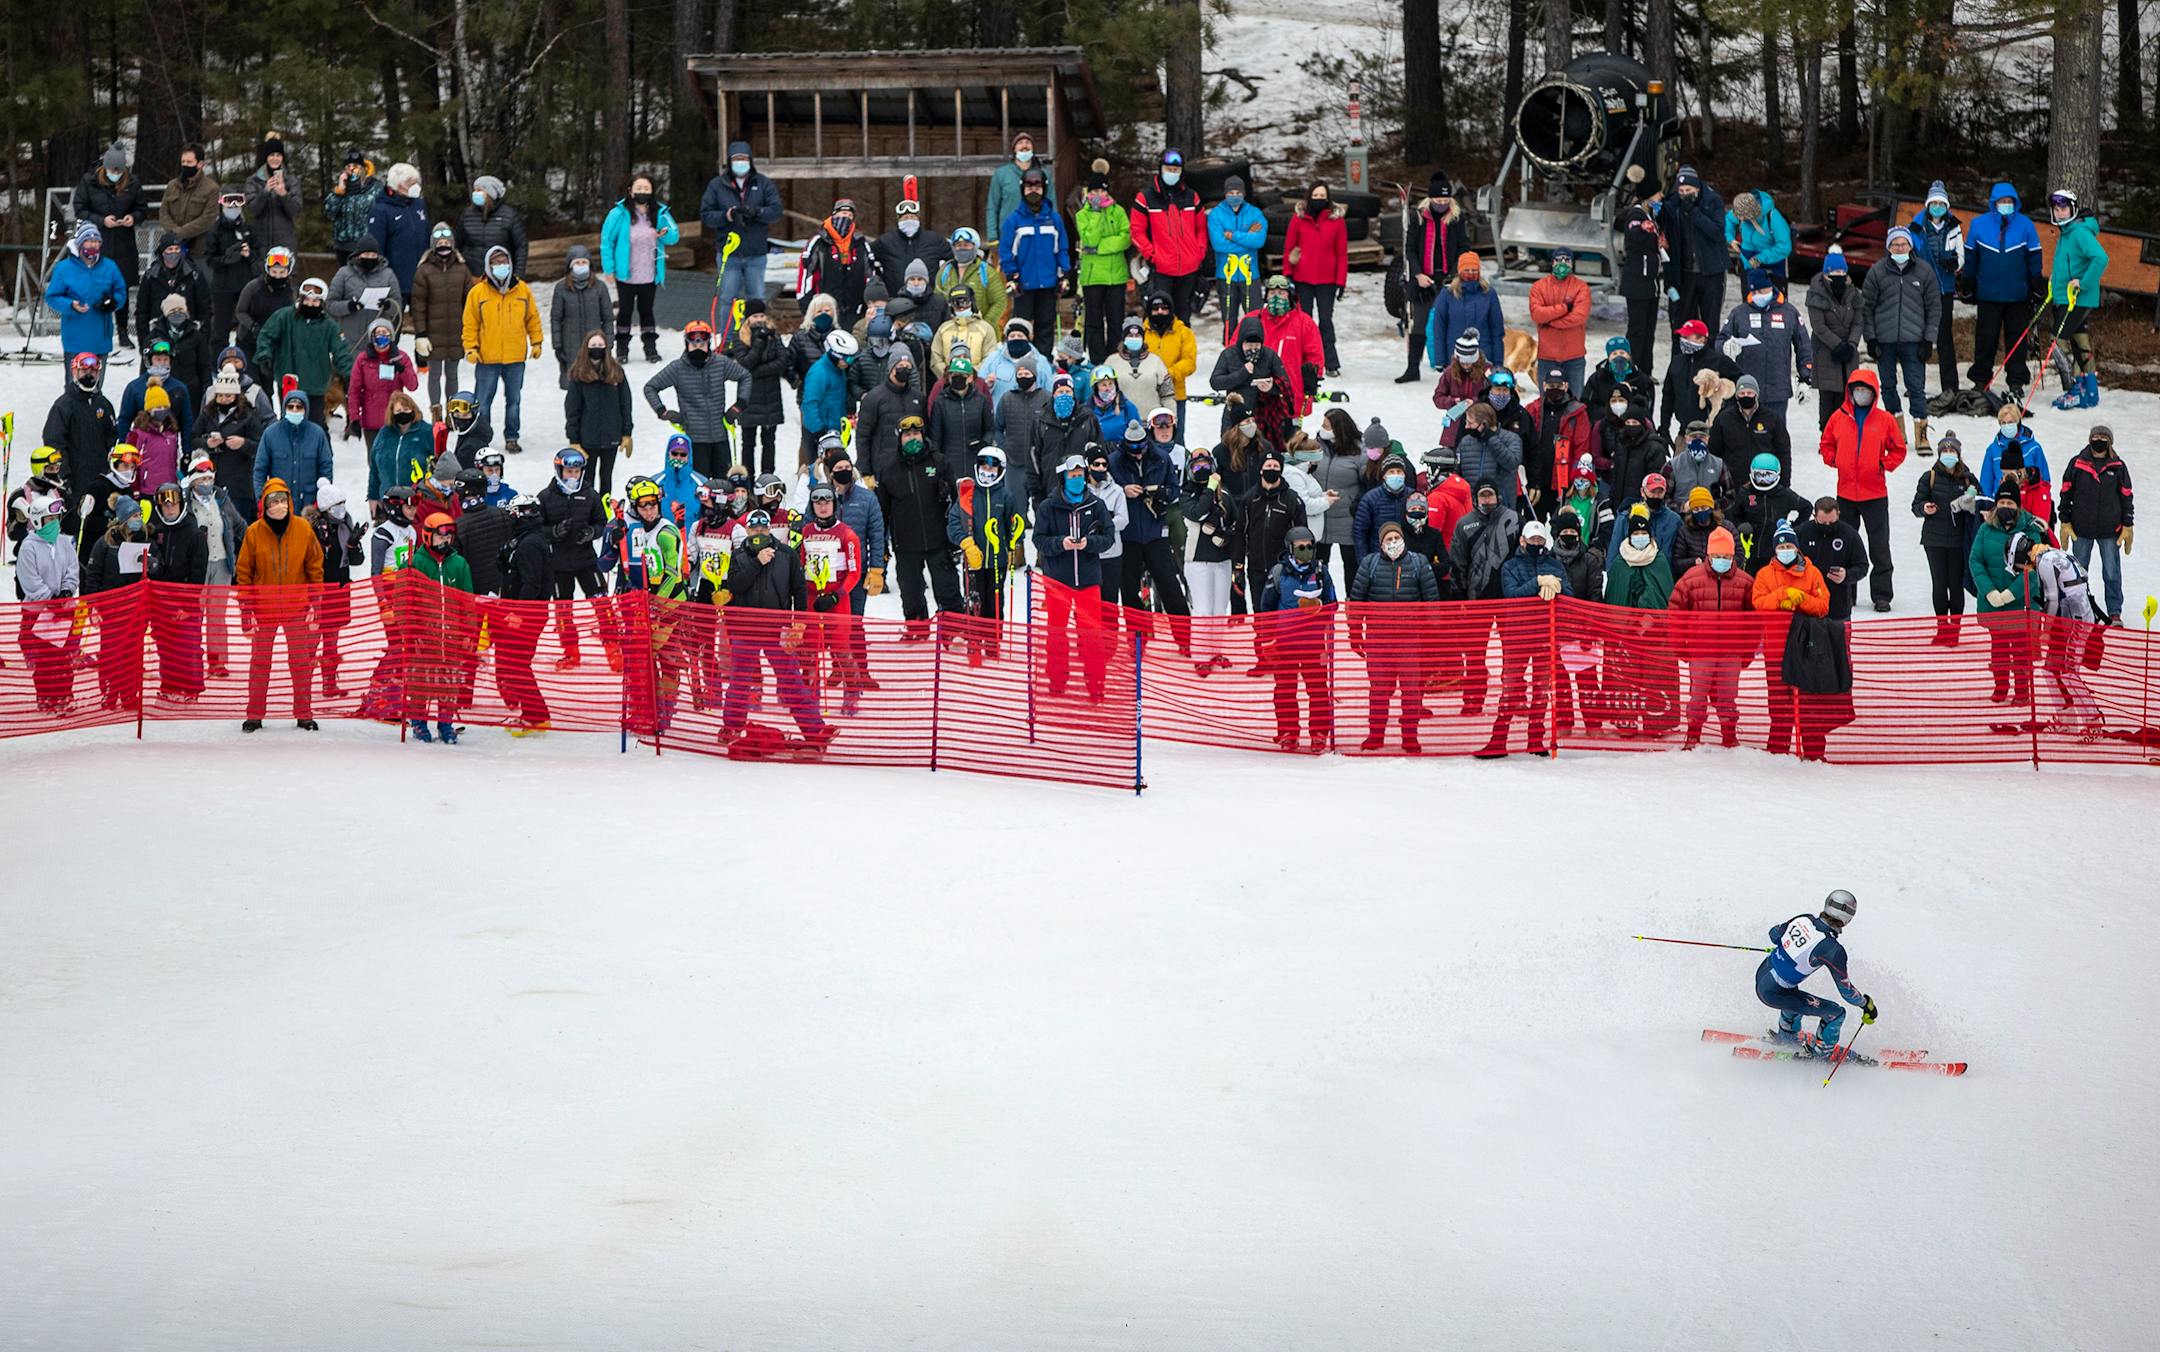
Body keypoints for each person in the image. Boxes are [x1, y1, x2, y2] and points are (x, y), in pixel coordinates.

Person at [716, 507, 833, 751]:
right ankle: (732, 726)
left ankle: (814, 729)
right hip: (743, 630)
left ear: (769, 530)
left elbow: (799, 589)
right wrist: (757, 563)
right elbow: (736, 585)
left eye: (763, 528)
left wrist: (798, 622)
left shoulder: (787, 555)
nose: (758, 532)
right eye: (754, 528)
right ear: (747, 531)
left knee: (790, 680)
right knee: (740, 681)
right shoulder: (737, 556)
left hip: (775, 629)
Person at [234, 477, 325, 732]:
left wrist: (315, 604)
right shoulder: (253, 533)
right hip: (264, 611)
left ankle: (304, 715)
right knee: (260, 663)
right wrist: (245, 610)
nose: (278, 506)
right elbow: (244, 573)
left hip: (297, 608)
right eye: (273, 502)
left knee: (301, 662)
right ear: (264, 505)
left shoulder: (303, 529)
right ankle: (254, 715)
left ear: (290, 502)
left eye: (282, 501)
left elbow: (315, 567)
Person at [1478, 518, 1570, 758]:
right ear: (1522, 540)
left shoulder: (1555, 565)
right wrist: (1538, 583)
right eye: (1532, 539)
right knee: (1511, 689)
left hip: (1545, 636)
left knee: (1541, 690)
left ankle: (1535, 740)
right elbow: (1513, 595)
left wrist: (1557, 587)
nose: (1536, 543)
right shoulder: (1510, 566)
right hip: (1517, 636)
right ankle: (1498, 741)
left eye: (1540, 539)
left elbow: (1568, 594)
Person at [1818, 368, 1905, 611]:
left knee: (1879, 545)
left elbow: (1899, 450)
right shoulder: (1838, 417)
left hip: (1875, 493)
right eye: (1857, 390)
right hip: (1845, 493)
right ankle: (1848, 592)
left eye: (1865, 390)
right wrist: (1835, 460)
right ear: (1850, 392)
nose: (1861, 394)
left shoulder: (1885, 419)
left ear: (1873, 393)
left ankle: (1882, 595)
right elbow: (1825, 444)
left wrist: (1882, 465)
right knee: (1845, 544)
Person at [1348, 519, 1439, 752]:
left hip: (1409, 639)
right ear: (1381, 544)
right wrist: (1354, 632)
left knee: (1410, 691)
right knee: (1379, 690)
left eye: (1396, 538)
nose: (1393, 543)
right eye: (1388, 539)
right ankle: (1375, 735)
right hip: (1378, 640)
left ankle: (1410, 737)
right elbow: (1356, 601)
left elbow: (1431, 601)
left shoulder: (1418, 563)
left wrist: (1432, 634)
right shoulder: (1369, 564)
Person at [1748, 519, 1832, 756]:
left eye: (1789, 547)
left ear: (1797, 548)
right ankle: (1778, 751)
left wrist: (1801, 600)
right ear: (1775, 550)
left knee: (1808, 701)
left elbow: (1823, 605)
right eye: (1781, 548)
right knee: (1778, 702)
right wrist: (1782, 596)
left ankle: (1815, 752)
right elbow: (1758, 602)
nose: (1785, 551)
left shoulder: (1812, 572)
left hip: (1808, 648)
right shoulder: (1764, 574)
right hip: (1776, 648)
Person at [1756, 891, 1875, 1056]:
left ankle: (1787, 1036)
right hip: (1773, 993)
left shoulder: (1804, 919)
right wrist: (1865, 1004)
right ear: (1847, 919)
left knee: (1794, 995)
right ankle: (1820, 1055)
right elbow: (1846, 992)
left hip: (1762, 976)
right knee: (1836, 1014)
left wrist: (1786, 948)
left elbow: (1774, 934)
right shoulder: (1832, 949)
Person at [1665, 525, 1752, 748]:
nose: (1721, 559)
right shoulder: (1690, 579)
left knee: (1728, 696)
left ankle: (1729, 735)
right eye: (1717, 556)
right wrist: (1680, 647)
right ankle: (1693, 734)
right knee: (1697, 696)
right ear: (1708, 555)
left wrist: (1748, 651)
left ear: (1733, 556)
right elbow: (1676, 614)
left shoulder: (1745, 582)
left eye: (1726, 556)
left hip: (1731, 652)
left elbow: (1754, 622)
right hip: (1700, 649)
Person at [876, 416, 962, 637]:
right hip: (905, 543)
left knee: (947, 588)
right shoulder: (888, 469)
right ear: (900, 439)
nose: (912, 438)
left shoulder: (939, 462)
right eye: (907, 435)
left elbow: (958, 500)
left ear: (923, 436)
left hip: (939, 540)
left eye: (916, 434)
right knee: (911, 590)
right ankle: (917, 629)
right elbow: (882, 512)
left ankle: (953, 630)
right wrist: (882, 547)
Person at [1109, 419, 1190, 654]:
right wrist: (1122, 491)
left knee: (1170, 585)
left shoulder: (1160, 458)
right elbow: (1105, 489)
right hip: (1128, 535)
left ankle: (1184, 638)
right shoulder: (1116, 461)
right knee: (1129, 589)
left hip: (1156, 532)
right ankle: (1138, 639)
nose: (1137, 453)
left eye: (1141, 447)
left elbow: (1175, 490)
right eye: (1132, 448)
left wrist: (1162, 493)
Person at [1957, 181, 2044, 399]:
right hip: (1988, 294)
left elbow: (2034, 256)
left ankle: (2016, 381)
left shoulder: (2025, 225)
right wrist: (1968, 282)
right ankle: (1980, 380)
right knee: (1986, 339)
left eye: (2009, 201)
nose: (2006, 204)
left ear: (2015, 203)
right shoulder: (1979, 225)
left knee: (2017, 340)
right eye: (2002, 201)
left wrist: (2036, 282)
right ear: (1993, 203)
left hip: (2018, 295)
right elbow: (1971, 256)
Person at [2012, 531, 2105, 732]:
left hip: (2076, 622)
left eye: (2021, 566)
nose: (2025, 570)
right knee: (2049, 669)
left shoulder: (2045, 561)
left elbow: (2052, 598)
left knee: (2069, 672)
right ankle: (2066, 718)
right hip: (2068, 621)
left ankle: (2093, 722)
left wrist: (2046, 629)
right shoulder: (2055, 554)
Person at [1255, 526, 1336, 751]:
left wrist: (1318, 605)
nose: (1305, 551)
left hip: (1313, 643)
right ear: (1290, 548)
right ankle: (1288, 732)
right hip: (1285, 643)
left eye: (1309, 546)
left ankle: (1319, 733)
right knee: (1284, 689)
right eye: (1300, 547)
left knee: (1318, 689)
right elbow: (1267, 607)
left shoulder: (1320, 571)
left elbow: (1334, 603)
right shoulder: (1279, 573)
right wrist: (1267, 639)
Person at [1860, 226, 1940, 448]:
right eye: (1895, 244)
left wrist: (1928, 339)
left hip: (1914, 340)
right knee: (1887, 386)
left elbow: (1934, 308)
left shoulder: (1923, 271)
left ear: (1910, 246)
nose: (1899, 247)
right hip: (1884, 340)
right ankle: (1896, 432)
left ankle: (1921, 434)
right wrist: (1871, 338)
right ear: (1888, 247)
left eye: (1903, 244)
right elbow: (1866, 308)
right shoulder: (1877, 272)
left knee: (1916, 387)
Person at [947, 447, 1029, 656]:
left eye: (992, 468)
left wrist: (1015, 540)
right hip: (974, 560)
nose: (987, 472)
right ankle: (974, 640)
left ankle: (993, 640)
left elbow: (1014, 523)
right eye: (983, 467)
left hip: (997, 560)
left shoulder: (1006, 495)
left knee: (994, 601)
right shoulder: (968, 494)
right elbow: (953, 523)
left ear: (1000, 471)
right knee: (975, 600)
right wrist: (966, 543)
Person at [538, 447, 615, 670]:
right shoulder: (546, 496)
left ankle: (613, 649)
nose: (573, 476)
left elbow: (602, 522)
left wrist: (592, 533)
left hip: (586, 560)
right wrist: (553, 532)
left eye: (577, 471)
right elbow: (537, 527)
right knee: (563, 610)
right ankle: (571, 653)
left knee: (602, 604)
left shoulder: (590, 495)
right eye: (569, 471)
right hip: (559, 563)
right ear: (559, 471)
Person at [461, 245, 541, 455]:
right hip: (487, 358)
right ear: (488, 266)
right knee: (483, 403)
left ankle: (512, 437)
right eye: (496, 263)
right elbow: (470, 323)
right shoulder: (478, 292)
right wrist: (470, 347)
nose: (500, 266)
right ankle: (481, 438)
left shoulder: (522, 289)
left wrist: (537, 342)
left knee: (514, 400)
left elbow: (532, 317)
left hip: (515, 357)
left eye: (503, 262)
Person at [1972, 483, 2046, 708]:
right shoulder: (1985, 529)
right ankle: (2000, 686)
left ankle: (2022, 690)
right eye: (2002, 503)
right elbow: (1975, 561)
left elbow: (2035, 567)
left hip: (2021, 603)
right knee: (1999, 648)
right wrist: (1990, 591)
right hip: (1993, 602)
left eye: (2010, 503)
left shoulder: (2031, 530)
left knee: (2021, 648)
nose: (2005, 506)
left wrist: (2009, 594)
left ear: (2018, 505)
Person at [644, 319, 748, 477]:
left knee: (724, 486)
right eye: (694, 345)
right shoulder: (677, 368)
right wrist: (662, 411)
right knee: (699, 487)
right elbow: (650, 387)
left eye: (702, 345)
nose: (698, 348)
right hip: (694, 440)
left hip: (720, 435)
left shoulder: (720, 363)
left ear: (708, 344)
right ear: (687, 344)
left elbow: (745, 376)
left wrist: (739, 405)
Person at [1397, 174, 1472, 383]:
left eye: (1445, 201)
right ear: (1430, 199)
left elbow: (1464, 247)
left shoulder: (1456, 217)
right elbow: (1410, 249)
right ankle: (1413, 368)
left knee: (1452, 324)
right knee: (1418, 324)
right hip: (1424, 279)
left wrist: (1458, 273)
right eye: (1438, 201)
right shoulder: (1418, 217)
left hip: (1449, 278)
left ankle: (1456, 370)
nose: (1442, 204)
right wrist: (1418, 274)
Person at [597, 174, 679, 363]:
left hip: (650, 273)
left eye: (646, 188)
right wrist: (608, 269)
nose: (642, 192)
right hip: (626, 273)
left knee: (647, 310)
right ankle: (622, 350)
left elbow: (673, 237)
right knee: (625, 311)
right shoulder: (618, 213)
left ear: (652, 191)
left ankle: (650, 348)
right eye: (639, 188)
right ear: (630, 191)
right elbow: (607, 242)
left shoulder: (659, 212)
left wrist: (663, 234)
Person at [255, 278, 354, 431]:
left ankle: (320, 454)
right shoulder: (284, 317)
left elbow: (341, 350)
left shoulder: (329, 326)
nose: (310, 304)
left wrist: (349, 373)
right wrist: (265, 356)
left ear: (322, 303)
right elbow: (267, 335)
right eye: (307, 300)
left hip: (316, 384)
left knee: (316, 426)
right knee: (288, 422)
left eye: (315, 301)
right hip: (288, 380)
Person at [73, 145, 147, 349]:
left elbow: (142, 208)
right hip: (97, 241)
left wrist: (134, 218)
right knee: (96, 287)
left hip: (124, 243)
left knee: (120, 286)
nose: (115, 174)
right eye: (112, 170)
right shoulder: (89, 181)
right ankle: (96, 330)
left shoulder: (132, 183)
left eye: (119, 170)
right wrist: (101, 220)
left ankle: (122, 331)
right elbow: (80, 208)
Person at [2057, 425, 2133, 624]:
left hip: (2110, 531)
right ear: (2090, 439)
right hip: (2081, 529)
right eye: (2096, 436)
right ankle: (2079, 609)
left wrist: (2127, 524)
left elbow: (2126, 496)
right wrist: (2064, 520)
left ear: (2109, 441)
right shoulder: (2077, 463)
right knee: (2078, 575)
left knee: (2111, 572)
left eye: (2103, 437)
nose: (2099, 439)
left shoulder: (2118, 466)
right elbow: (2066, 492)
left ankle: (2114, 612)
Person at [1717, 267, 1812, 425]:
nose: (1757, 296)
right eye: (1753, 293)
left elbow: (1804, 347)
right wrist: (1726, 347)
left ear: (1770, 287)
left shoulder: (1789, 312)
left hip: (1777, 391)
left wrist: (1805, 379)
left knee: (1776, 438)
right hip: (1746, 392)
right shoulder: (1739, 313)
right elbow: (1719, 342)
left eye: (1761, 291)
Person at [16, 492, 83, 712]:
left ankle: (64, 695)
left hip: (62, 611)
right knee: (45, 659)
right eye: (49, 520)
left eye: (56, 519)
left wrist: (66, 591)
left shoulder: (64, 543)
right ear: (37, 520)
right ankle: (46, 696)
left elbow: (72, 570)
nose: (54, 524)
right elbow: (29, 580)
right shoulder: (29, 547)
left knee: (63, 657)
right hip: (38, 613)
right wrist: (49, 598)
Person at [494, 494, 555, 734]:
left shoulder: (531, 543)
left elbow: (532, 582)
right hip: (524, 610)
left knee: (517, 665)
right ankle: (533, 713)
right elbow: (514, 572)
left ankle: (537, 716)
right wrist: (504, 557)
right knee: (515, 664)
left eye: (513, 514)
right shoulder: (527, 539)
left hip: (527, 614)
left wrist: (520, 611)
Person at [1911, 431, 1982, 638]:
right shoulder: (1929, 477)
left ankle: (1955, 629)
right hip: (1934, 539)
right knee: (1939, 584)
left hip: (1960, 540)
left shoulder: (1968, 478)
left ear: (1959, 454)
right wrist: (1925, 507)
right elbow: (1916, 505)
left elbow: (1983, 503)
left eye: (1952, 450)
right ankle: (1943, 628)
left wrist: (1969, 502)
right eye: (1945, 450)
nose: (1948, 453)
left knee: (1956, 584)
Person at [181, 456, 246, 678]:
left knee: (217, 616)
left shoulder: (222, 499)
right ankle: (192, 658)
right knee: (195, 614)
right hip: (196, 566)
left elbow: (239, 526)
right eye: (202, 479)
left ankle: (217, 661)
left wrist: (252, 543)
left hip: (221, 564)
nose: (207, 482)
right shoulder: (185, 503)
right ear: (193, 481)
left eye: (210, 478)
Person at [2044, 188, 2108, 410]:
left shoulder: (2079, 232)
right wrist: (2056, 279)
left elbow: (2100, 258)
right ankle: (2089, 390)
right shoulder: (2066, 232)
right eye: (2056, 209)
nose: (2059, 213)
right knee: (2080, 341)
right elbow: (2070, 263)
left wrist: (2084, 282)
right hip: (2065, 297)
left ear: (2072, 209)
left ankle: (2073, 388)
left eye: (2063, 208)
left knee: (2058, 342)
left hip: (2078, 299)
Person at [702, 142, 784, 314]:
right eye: (736, 158)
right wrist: (727, 216)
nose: (740, 162)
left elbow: (776, 211)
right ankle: (727, 338)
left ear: (750, 160)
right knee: (727, 298)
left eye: (744, 158)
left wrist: (755, 212)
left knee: (757, 298)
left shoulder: (763, 183)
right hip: (729, 254)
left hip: (756, 253)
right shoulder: (717, 185)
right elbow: (706, 215)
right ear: (730, 161)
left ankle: (756, 338)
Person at [305, 478, 367, 699]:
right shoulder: (312, 528)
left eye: (343, 503)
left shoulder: (346, 524)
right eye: (336, 505)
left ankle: (329, 683)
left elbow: (358, 560)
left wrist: (353, 545)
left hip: (339, 589)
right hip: (318, 591)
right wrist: (322, 545)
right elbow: (309, 562)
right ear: (324, 508)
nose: (341, 509)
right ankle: (302, 684)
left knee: (332, 640)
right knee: (311, 641)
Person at [1130, 149, 1208, 322]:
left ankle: (1183, 350)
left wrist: (1199, 252)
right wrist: (1152, 254)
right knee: (1159, 318)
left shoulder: (1191, 196)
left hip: (1189, 268)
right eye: (1168, 169)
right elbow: (1136, 231)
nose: (1172, 173)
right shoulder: (1146, 197)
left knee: (1183, 319)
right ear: (1160, 169)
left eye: (1176, 170)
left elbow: (1201, 228)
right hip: (1162, 270)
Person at [46, 223, 129, 379]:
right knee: (74, 387)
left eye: (97, 241)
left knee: (96, 386)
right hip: (75, 339)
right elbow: (52, 297)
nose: (94, 244)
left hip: (100, 338)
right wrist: (70, 305)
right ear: (80, 242)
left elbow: (121, 292)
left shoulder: (109, 266)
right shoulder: (64, 268)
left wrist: (113, 303)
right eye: (89, 241)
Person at [999, 166, 1070, 350]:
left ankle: (1044, 364)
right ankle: (1022, 365)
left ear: (1044, 189)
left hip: (1047, 283)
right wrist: (1011, 275)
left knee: (1045, 326)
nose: (1033, 191)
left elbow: (1062, 248)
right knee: (1021, 326)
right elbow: (1006, 251)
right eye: (1029, 187)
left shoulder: (1054, 219)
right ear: (1023, 189)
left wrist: (1064, 274)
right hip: (1024, 284)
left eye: (1037, 187)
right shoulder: (1013, 220)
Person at [408, 223, 473, 420]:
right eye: (439, 239)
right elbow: (418, 305)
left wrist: (470, 331)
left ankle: (452, 412)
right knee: (434, 374)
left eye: (447, 239)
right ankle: (436, 411)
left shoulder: (462, 270)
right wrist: (421, 333)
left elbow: (469, 302)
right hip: (433, 334)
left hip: (456, 332)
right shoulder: (424, 270)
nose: (443, 242)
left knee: (452, 374)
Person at [1282, 181, 1348, 375]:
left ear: (1328, 198)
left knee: (1326, 321)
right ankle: (1304, 361)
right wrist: (1288, 274)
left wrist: (1341, 281)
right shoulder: (1298, 219)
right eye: (1315, 196)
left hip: (1327, 280)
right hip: (1302, 278)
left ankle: (1331, 362)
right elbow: (1289, 247)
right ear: (1309, 197)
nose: (1319, 199)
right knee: (1304, 321)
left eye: (1322, 196)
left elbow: (1342, 253)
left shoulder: (1337, 221)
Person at [1657, 165, 1729, 332]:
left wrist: (1694, 213)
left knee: (1710, 320)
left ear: (1696, 187)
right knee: (1684, 320)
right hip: (1686, 272)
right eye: (1681, 191)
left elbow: (1717, 232)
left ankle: (1709, 355)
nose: (1684, 194)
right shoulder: (1674, 203)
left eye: (1688, 190)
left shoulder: (1712, 200)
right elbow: (1663, 220)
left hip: (1711, 271)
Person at [1804, 247, 1867, 432]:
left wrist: (1851, 344)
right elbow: (1818, 326)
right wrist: (1837, 345)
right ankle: (1826, 432)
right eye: (1834, 272)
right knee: (1827, 397)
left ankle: (1845, 431)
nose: (1838, 275)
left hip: (1848, 351)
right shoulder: (1816, 294)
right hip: (1826, 350)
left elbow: (1858, 322)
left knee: (1846, 394)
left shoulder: (1854, 294)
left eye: (1841, 272)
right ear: (1826, 273)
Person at [1074, 162, 1132, 363]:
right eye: (1095, 191)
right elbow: (1088, 239)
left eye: (1102, 190)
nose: (1099, 194)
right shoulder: (1083, 215)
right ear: (1088, 193)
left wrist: (1099, 248)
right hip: (1092, 276)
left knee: (1116, 320)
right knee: (1094, 321)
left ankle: (1115, 358)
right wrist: (1097, 214)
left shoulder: (1119, 211)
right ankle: (1097, 360)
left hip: (1116, 275)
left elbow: (1125, 238)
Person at [565, 334, 634, 494]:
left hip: (611, 436)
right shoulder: (578, 374)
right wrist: (573, 439)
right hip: (587, 438)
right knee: (587, 478)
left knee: (606, 476)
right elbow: (572, 409)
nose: (597, 348)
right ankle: (588, 510)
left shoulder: (616, 372)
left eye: (600, 345)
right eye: (593, 345)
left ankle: (605, 509)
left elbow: (626, 404)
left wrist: (627, 433)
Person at [1209, 177, 1267, 348]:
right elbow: (1218, 244)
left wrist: (1233, 235)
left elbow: (1259, 241)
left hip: (1250, 274)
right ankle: (1230, 352)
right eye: (1231, 193)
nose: (1234, 196)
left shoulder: (1255, 213)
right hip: (1226, 275)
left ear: (1244, 193)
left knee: (1254, 317)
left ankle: (1256, 352)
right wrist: (1246, 236)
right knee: (1229, 319)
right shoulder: (1215, 214)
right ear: (1225, 194)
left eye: (1238, 193)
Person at [1425, 251, 1504, 376]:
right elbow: (1439, 329)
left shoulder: (1489, 294)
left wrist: (1498, 361)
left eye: (1474, 270)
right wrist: (1439, 360)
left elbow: (1497, 330)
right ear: (1459, 271)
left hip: (1483, 358)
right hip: (1454, 359)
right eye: (1467, 270)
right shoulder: (1447, 294)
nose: (1471, 273)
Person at [799, 197, 873, 329]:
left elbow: (869, 274)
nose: (847, 217)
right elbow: (806, 274)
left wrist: (867, 303)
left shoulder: (860, 243)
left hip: (854, 307)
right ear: (834, 214)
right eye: (843, 213)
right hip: (824, 308)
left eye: (850, 215)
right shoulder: (818, 242)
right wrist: (806, 304)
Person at [347, 317, 419, 450]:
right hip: (371, 421)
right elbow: (354, 391)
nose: (381, 336)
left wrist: (402, 371)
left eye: (385, 332)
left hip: (396, 419)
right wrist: (354, 418)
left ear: (391, 336)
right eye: (378, 333)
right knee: (375, 461)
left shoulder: (401, 357)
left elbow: (413, 386)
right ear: (372, 336)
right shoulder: (363, 359)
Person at [1528, 248, 1592, 395]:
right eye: (1558, 260)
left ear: (1572, 264)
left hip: (1574, 357)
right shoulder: (1539, 287)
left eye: (1567, 260)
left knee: (1575, 402)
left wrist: (1551, 322)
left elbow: (1579, 317)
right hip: (1547, 357)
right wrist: (1564, 308)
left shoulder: (1581, 287)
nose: (1562, 264)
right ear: (1552, 262)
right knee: (1547, 402)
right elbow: (1537, 314)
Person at [1797, 496, 1871, 621]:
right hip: (1808, 607)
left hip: (1839, 607)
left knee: (1841, 640)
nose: (1827, 526)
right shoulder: (1801, 533)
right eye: (1823, 523)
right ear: (1814, 516)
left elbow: (1862, 565)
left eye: (1831, 523)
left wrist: (1846, 575)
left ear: (1838, 515)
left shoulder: (1849, 534)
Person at [253, 388, 334, 503]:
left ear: (306, 410)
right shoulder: (270, 434)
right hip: (279, 505)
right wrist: (262, 499)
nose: (294, 410)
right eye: (290, 407)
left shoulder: (317, 434)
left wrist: (322, 497)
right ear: (284, 409)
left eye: (299, 407)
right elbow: (260, 471)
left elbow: (326, 467)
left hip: (309, 504)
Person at [551, 246, 613, 388]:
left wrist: (608, 342)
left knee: (597, 384)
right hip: (570, 346)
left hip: (596, 347)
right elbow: (556, 318)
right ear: (570, 266)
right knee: (573, 386)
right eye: (577, 263)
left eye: (584, 263)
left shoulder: (600, 287)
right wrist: (557, 344)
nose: (581, 266)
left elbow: (608, 318)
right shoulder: (561, 288)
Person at [200, 190, 258, 344]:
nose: (233, 206)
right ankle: (216, 363)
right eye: (229, 202)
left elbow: (258, 255)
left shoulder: (247, 228)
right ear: (222, 204)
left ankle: (246, 359)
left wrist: (249, 254)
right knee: (220, 327)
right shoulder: (215, 230)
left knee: (246, 324)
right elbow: (209, 259)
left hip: (244, 284)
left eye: (238, 202)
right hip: (222, 286)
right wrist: (226, 259)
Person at [366, 163, 430, 302]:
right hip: (396, 280)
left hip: (422, 276)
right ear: (398, 186)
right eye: (410, 183)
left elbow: (426, 233)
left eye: (416, 182)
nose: (415, 186)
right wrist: (383, 277)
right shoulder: (380, 211)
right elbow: (377, 248)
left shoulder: (419, 204)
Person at [1616, 197, 1666, 375]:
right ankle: (1632, 371)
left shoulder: (1651, 214)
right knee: (1637, 331)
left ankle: (1646, 371)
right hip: (1637, 283)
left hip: (1651, 284)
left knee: (1648, 331)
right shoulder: (1635, 215)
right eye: (1658, 193)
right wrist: (1645, 230)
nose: (1661, 197)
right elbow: (1634, 236)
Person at [932, 228, 1009, 335]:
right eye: (958, 245)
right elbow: (937, 301)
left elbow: (1000, 301)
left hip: (983, 334)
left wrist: (984, 326)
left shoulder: (986, 272)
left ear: (975, 246)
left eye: (966, 245)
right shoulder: (945, 272)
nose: (962, 248)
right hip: (952, 332)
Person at [368, 390, 434, 511]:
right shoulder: (384, 433)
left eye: (406, 410)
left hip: (417, 501)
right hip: (389, 500)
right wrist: (373, 496)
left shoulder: (427, 432)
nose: (402, 414)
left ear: (413, 410)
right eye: (398, 411)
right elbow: (374, 468)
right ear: (392, 413)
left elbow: (438, 463)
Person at [802, 331, 858, 469]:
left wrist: (844, 429)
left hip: (835, 431)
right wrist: (819, 432)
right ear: (835, 355)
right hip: (820, 432)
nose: (849, 363)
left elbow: (837, 401)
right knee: (820, 473)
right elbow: (810, 404)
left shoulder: (838, 370)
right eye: (848, 359)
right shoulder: (819, 373)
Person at [233, 245, 297, 359]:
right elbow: (240, 311)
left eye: (282, 272)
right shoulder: (253, 287)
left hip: (273, 345)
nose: (277, 276)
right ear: (268, 269)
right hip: (248, 342)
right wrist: (253, 326)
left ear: (288, 272)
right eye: (274, 272)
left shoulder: (290, 292)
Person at [243, 133, 303, 253]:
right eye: (272, 155)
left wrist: (283, 195)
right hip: (260, 243)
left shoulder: (291, 181)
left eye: (278, 155)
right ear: (266, 157)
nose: (275, 158)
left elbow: (295, 211)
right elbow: (252, 211)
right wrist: (264, 192)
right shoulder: (253, 181)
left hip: (284, 243)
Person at [1977, 405, 2049, 502]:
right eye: (2003, 423)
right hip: (2002, 504)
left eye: (2010, 422)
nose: (2007, 426)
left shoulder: (2034, 448)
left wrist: (2043, 502)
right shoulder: (1992, 450)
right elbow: (1986, 483)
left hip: (2028, 504)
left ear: (2018, 422)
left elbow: (2044, 480)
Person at [323, 150, 382, 265]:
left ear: (363, 168)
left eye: (355, 166)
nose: (351, 169)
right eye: (348, 166)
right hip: (343, 246)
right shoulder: (341, 187)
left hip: (366, 246)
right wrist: (339, 191)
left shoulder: (375, 187)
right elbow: (329, 213)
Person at [158, 143, 221, 249]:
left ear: (200, 164)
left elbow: (208, 219)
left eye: (189, 162)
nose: (185, 165)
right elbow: (163, 213)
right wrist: (173, 232)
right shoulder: (172, 185)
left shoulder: (211, 188)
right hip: (173, 248)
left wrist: (180, 233)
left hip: (200, 248)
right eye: (183, 162)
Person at [1725, 190, 1792, 282]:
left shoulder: (1774, 217)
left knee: (1774, 295)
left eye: (1745, 218)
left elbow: (1784, 246)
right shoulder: (1740, 209)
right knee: (1748, 296)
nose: (1741, 221)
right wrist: (1731, 239)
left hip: (1772, 265)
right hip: (1747, 264)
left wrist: (1760, 258)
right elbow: (1728, 220)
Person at [932, 287, 996, 381]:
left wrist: (972, 375)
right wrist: (948, 376)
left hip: (976, 382)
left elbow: (990, 357)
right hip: (948, 383)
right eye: (956, 304)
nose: (961, 307)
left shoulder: (985, 328)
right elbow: (935, 358)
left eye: (965, 302)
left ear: (972, 303)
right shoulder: (943, 328)